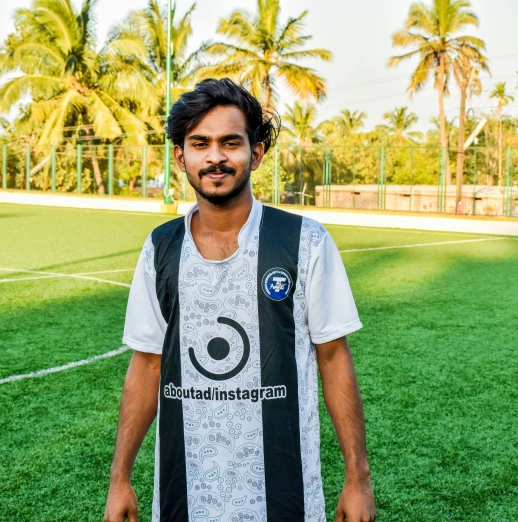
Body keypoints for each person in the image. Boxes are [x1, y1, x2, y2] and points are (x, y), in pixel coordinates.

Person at [104, 78, 375, 522]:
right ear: (180, 157)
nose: (215, 157)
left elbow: (333, 357)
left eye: (231, 142)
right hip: (183, 496)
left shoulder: (304, 242)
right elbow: (148, 364)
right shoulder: (160, 248)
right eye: (200, 143)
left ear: (257, 153)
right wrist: (120, 478)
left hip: (286, 497)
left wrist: (357, 477)